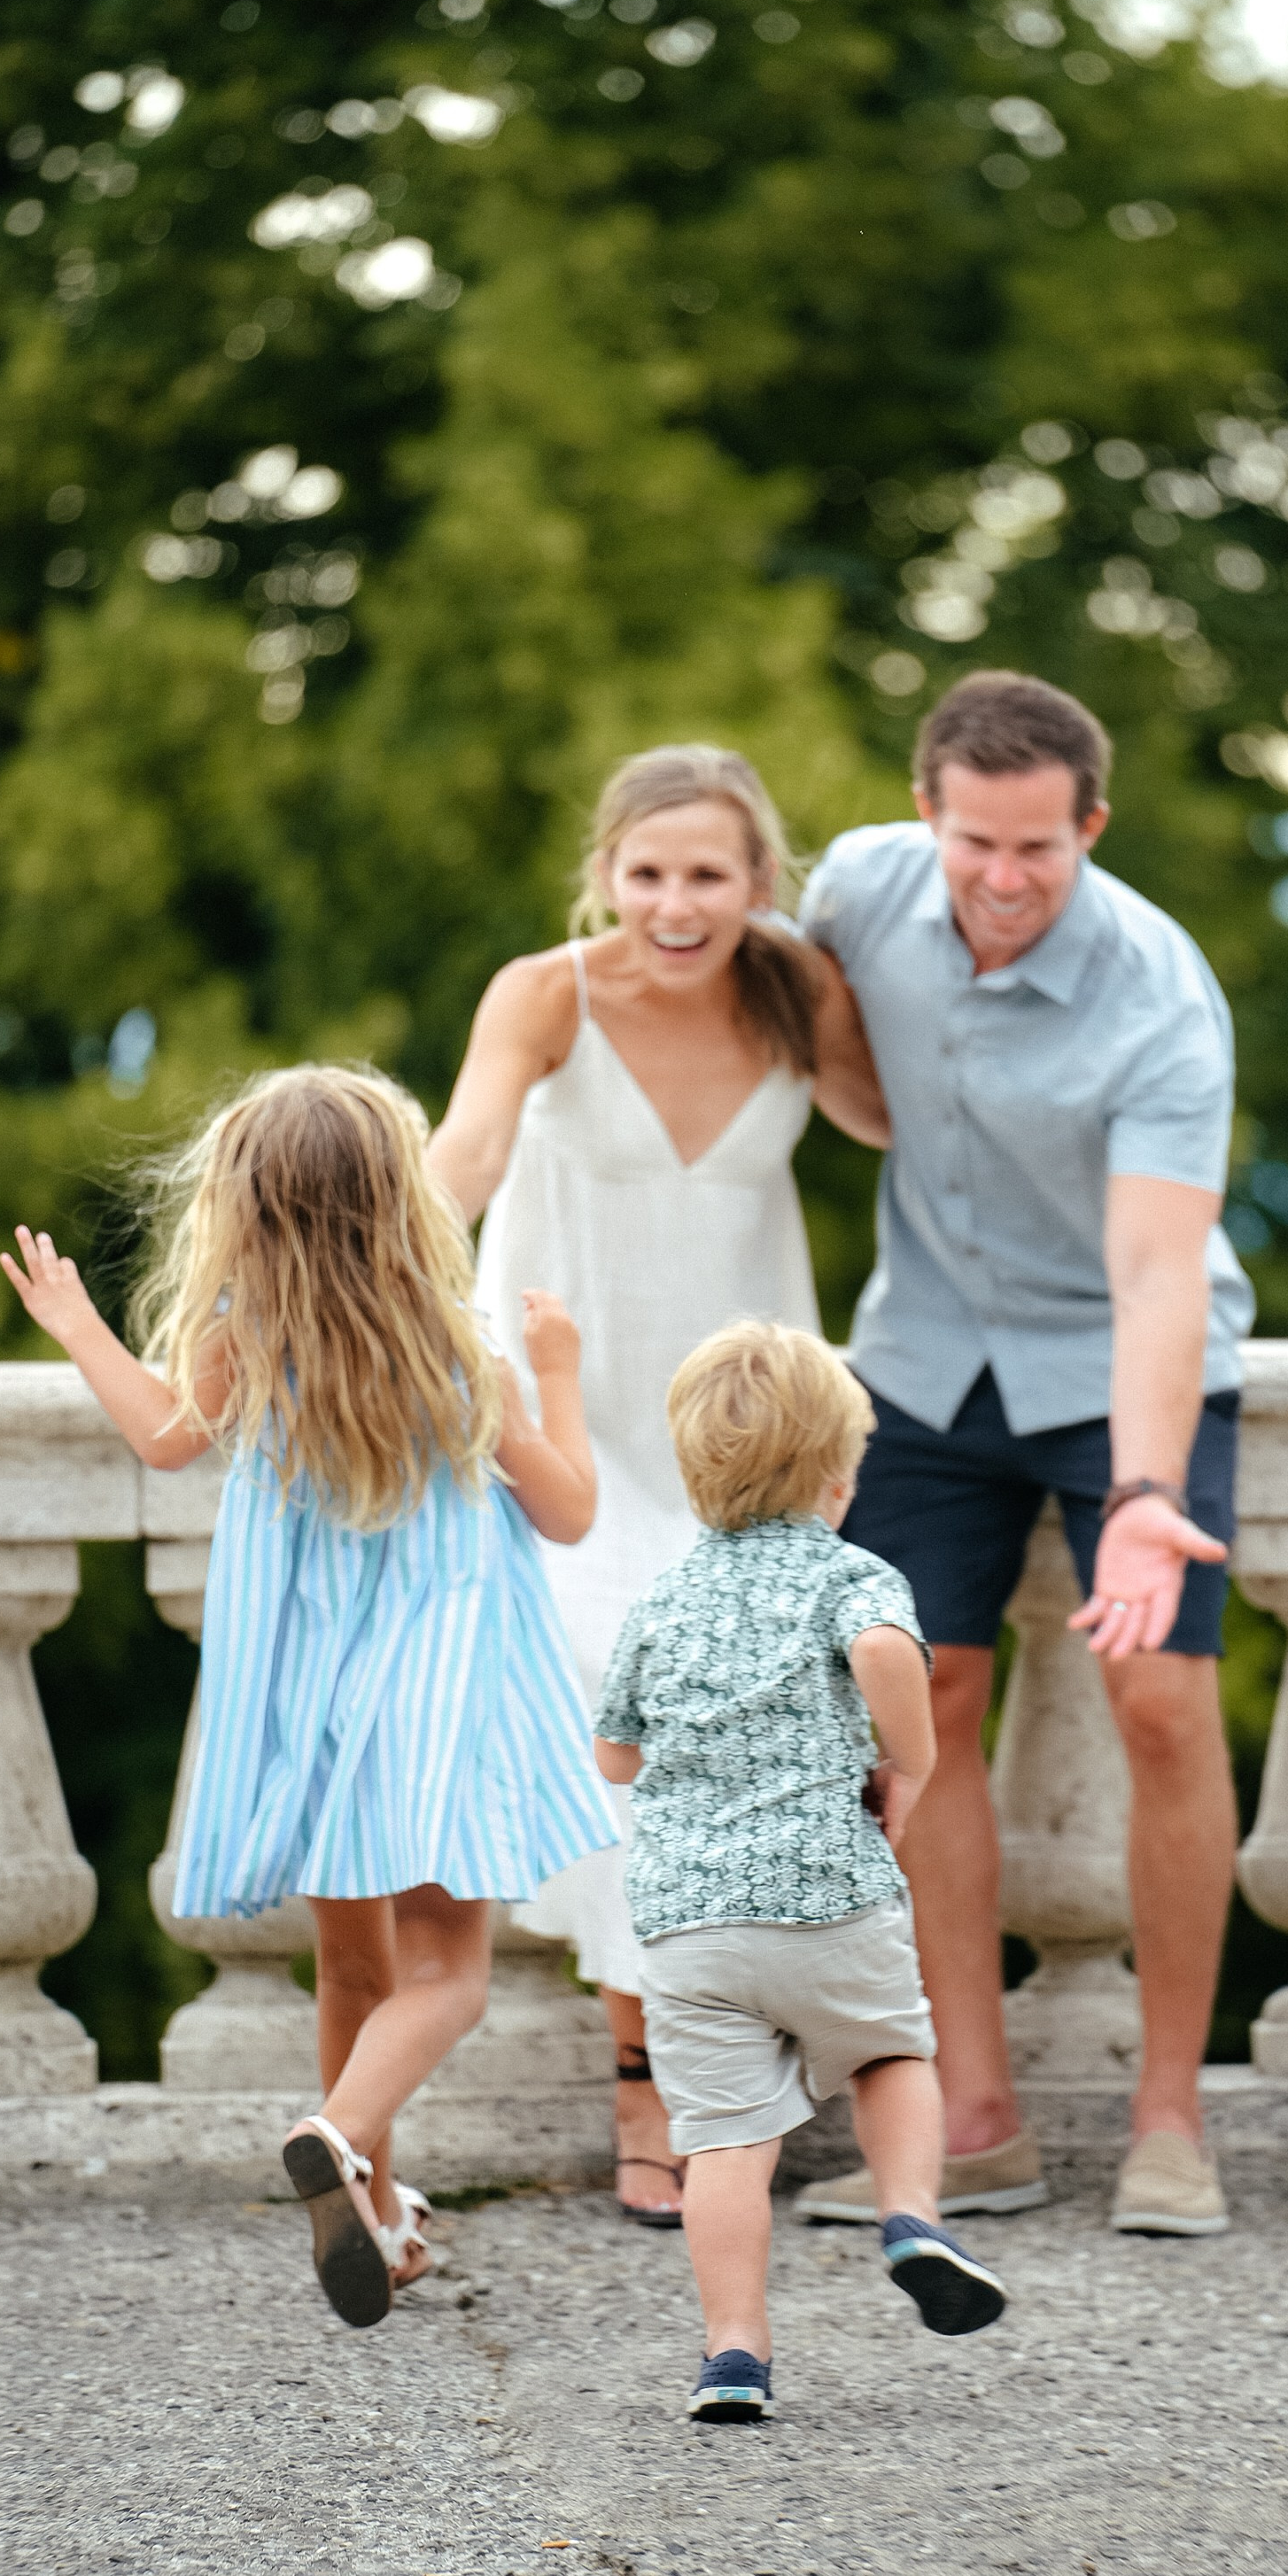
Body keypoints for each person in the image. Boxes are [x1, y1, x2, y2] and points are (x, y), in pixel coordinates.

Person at [0, 1064, 617, 2330]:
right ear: (400, 1201)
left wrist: (78, 1326)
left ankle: (375, 2219)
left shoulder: (246, 1339)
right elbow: (569, 1514)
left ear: (247, 1210)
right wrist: (560, 1370)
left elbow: (167, 1436)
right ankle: (338, 2137)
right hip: (436, 1711)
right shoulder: (458, 1349)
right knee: (449, 1975)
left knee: (354, 1968)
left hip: (314, 1708)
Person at [795, 670, 1253, 2239]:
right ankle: (975, 2116)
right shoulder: (857, 884)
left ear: (1091, 827)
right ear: (926, 813)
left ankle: (1170, 2119)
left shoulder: (1160, 997)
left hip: (1116, 1360)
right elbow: (802, 1048)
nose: (1002, 878)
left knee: (1160, 1695)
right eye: (975, 841)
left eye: (1038, 848)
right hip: (925, 1355)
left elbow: (1155, 1278)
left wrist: (1140, 1497)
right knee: (918, 1701)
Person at [429, 747, 887, 2228]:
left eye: (709, 874)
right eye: (647, 871)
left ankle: (744, 2072)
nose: (675, 904)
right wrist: (354, 1268)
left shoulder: (798, 989)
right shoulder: (544, 990)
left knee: (771, 1715)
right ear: (605, 873)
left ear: (761, 880)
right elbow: (469, 1155)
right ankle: (656, 2087)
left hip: (745, 1430)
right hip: (571, 1419)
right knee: (615, 1692)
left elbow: (901, 1118)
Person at [594, 1320, 1006, 2421]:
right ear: (838, 1476)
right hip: (829, 1895)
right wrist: (908, 1764)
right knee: (888, 2054)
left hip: (689, 1928)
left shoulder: (664, 1598)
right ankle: (911, 2215)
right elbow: (880, 1650)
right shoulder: (851, 1575)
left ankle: (733, 2352)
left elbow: (613, 1754)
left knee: (723, 2142)